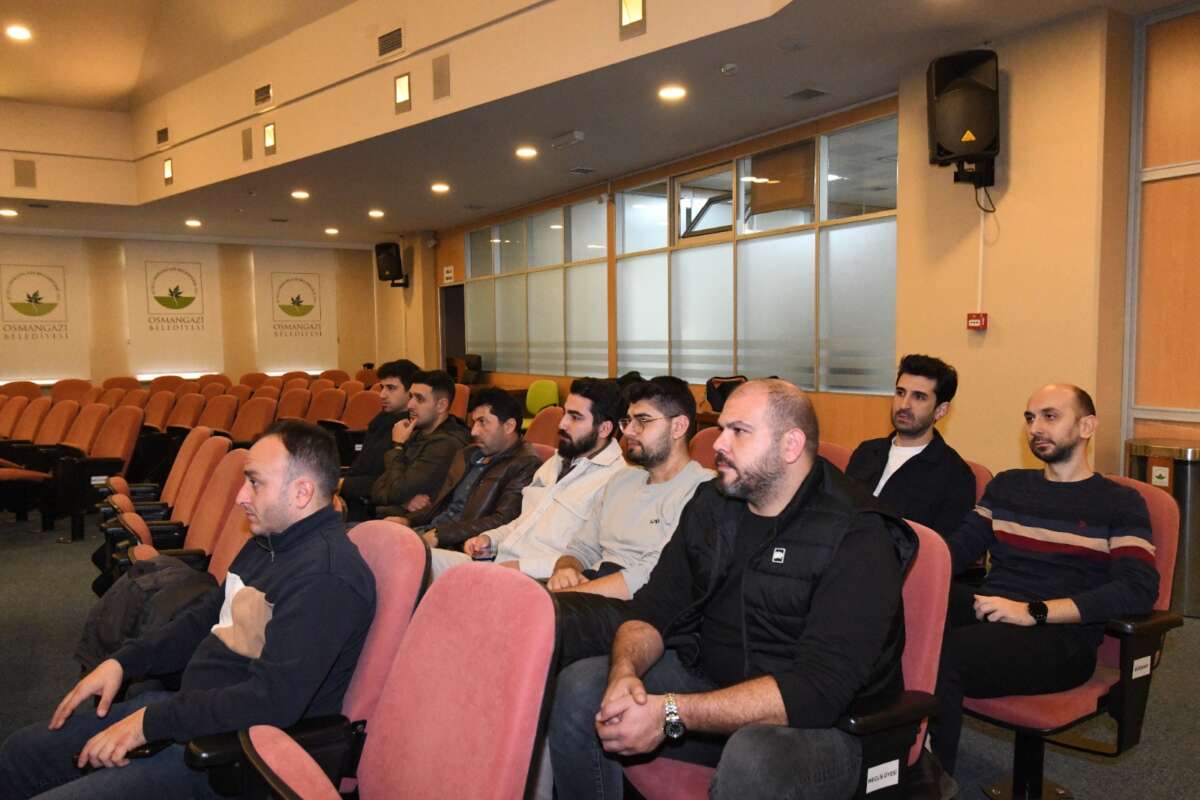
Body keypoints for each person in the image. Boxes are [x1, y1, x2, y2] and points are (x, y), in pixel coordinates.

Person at [548, 379, 916, 800]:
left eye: (739, 431)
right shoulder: (713, 503)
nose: (718, 444)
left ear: (790, 445)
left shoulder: (857, 534)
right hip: (712, 688)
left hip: (827, 730)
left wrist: (671, 711)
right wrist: (623, 675)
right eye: (722, 429)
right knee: (581, 688)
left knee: (753, 757)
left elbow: (816, 692)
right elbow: (652, 610)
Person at [0, 421, 375, 799]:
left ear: (302, 492)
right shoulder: (270, 542)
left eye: (255, 482)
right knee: (19, 754)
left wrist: (150, 724)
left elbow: (270, 702)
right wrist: (124, 663)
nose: (240, 496)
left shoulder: (327, 577)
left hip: (232, 757)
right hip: (190, 712)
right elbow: (205, 618)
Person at [930, 384, 1159, 778]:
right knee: (896, 618)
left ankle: (929, 783)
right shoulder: (1008, 486)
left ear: (1087, 426)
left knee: (942, 655)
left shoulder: (1119, 502)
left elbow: (1138, 589)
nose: (1035, 427)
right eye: (1030, 418)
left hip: (1060, 638)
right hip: (993, 609)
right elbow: (956, 549)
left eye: (1050, 416)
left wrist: (1033, 612)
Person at [430, 377, 627, 579]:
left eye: (575, 417)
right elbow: (525, 521)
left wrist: (521, 567)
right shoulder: (559, 460)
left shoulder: (616, 482)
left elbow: (590, 559)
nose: (562, 424)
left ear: (604, 428)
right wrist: (490, 540)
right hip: (498, 563)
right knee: (420, 556)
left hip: (535, 581)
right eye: (565, 413)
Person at [548, 376, 713, 600]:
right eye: (628, 421)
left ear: (678, 427)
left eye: (642, 420)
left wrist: (569, 595)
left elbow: (654, 574)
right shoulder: (621, 480)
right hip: (593, 588)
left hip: (637, 601)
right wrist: (566, 568)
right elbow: (581, 547)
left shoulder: (701, 492)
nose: (628, 431)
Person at [384, 387, 541, 550]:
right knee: (375, 538)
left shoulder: (526, 464)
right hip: (431, 531)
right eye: (474, 422)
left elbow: (503, 520)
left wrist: (441, 535)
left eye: (482, 422)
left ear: (508, 426)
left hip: (460, 545)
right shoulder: (469, 453)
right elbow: (441, 504)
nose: (473, 431)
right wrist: (408, 520)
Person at [846, 353, 976, 537]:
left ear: (940, 410)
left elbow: (941, 549)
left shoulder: (955, 476)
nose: (904, 405)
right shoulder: (866, 451)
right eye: (900, 393)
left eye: (919, 397)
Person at [370, 369, 470, 512]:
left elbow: (396, 492)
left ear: (441, 405)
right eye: (411, 397)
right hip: (391, 516)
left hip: (413, 523)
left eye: (419, 399)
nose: (410, 405)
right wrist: (403, 502)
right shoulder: (416, 433)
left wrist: (397, 447)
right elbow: (376, 489)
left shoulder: (446, 444)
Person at [340, 359, 419, 520]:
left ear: (411, 391)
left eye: (391, 388)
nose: (382, 395)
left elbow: (387, 483)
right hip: (357, 497)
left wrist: (340, 485)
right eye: (382, 387)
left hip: (375, 508)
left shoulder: (410, 428)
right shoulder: (381, 421)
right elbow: (362, 467)